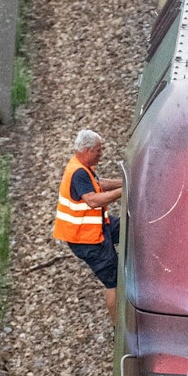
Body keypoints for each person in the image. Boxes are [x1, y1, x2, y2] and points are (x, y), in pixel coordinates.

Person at [53, 129, 123, 323]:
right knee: (114, 282)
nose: (101, 154)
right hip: (86, 238)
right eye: (98, 150)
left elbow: (99, 184)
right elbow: (93, 200)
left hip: (97, 227)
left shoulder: (81, 167)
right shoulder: (78, 173)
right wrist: (124, 190)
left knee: (129, 227)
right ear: (86, 150)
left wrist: (126, 181)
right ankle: (118, 328)